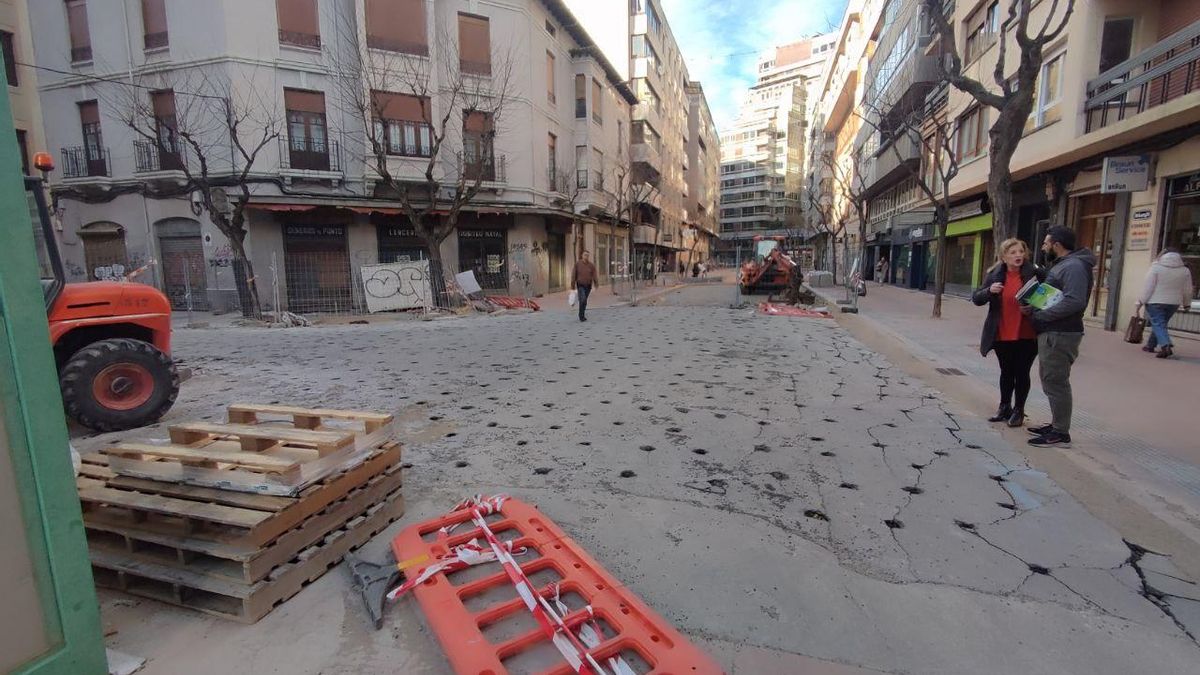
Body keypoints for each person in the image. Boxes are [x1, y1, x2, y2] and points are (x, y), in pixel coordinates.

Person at [1023, 226, 1096, 448]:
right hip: (1053, 330)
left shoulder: (1073, 266)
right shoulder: (1065, 265)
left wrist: (1043, 315)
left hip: (1061, 331)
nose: (1044, 247)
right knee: (1050, 378)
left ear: (1057, 245)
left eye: (1046, 243)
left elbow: (1075, 301)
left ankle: (1060, 433)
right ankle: (1057, 424)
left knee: (1056, 381)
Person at [972, 239, 1044, 428]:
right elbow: (976, 298)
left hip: (1026, 333)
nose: (1018, 255)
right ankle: (1004, 407)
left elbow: (1048, 298)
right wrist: (989, 291)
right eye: (1012, 252)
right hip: (1002, 332)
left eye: (1021, 251)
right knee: (1006, 372)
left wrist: (1033, 308)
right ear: (1004, 257)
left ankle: (1018, 410)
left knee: (1021, 372)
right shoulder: (995, 275)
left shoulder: (1035, 274)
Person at [1137, 248, 1194, 359]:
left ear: (1163, 256)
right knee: (1160, 324)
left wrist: (1140, 301)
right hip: (1174, 303)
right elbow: (1188, 289)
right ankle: (1150, 345)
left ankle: (1165, 346)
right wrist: (1187, 304)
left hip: (1155, 301)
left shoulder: (1156, 267)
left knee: (1158, 323)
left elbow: (1148, 287)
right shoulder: (1185, 270)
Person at [571, 250, 597, 322]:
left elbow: (594, 275)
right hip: (580, 285)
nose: (586, 257)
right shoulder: (578, 264)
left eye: (587, 255)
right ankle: (581, 316)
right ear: (582, 255)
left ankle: (582, 314)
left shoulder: (591, 265)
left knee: (584, 301)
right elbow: (574, 274)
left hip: (588, 286)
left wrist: (596, 283)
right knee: (583, 299)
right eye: (585, 255)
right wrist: (572, 285)